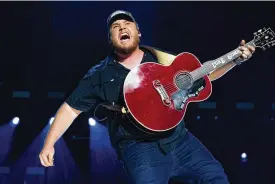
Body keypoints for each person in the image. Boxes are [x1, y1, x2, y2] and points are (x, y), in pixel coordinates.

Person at [39, 10, 255, 184]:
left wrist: (235, 59)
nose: (122, 27)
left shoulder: (161, 58)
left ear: (138, 33)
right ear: (111, 38)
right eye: (116, 27)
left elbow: (205, 74)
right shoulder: (99, 75)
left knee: (216, 177)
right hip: (139, 148)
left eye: (127, 24)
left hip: (179, 141)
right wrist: (49, 144)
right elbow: (70, 108)